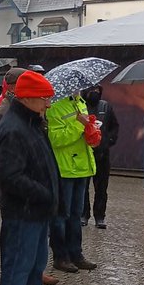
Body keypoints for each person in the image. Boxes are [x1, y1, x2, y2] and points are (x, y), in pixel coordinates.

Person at [0, 71, 63, 285]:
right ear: (28, 98)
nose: (48, 104)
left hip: (37, 211)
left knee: (35, 265)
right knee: (18, 266)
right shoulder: (14, 128)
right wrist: (44, 193)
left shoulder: (33, 122)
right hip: (23, 212)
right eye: (44, 98)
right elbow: (11, 177)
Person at [46, 90, 97, 273]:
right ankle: (61, 256)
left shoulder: (80, 102)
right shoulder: (55, 107)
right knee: (62, 215)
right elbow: (55, 139)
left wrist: (92, 130)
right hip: (66, 168)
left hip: (82, 167)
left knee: (76, 215)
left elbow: (83, 133)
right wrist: (80, 126)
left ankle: (76, 254)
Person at [81, 85, 119, 228]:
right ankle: (84, 214)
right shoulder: (81, 107)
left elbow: (114, 126)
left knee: (102, 188)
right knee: (84, 187)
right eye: (92, 90)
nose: (95, 93)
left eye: (97, 90)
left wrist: (109, 140)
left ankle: (100, 216)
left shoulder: (106, 107)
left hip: (102, 154)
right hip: (85, 153)